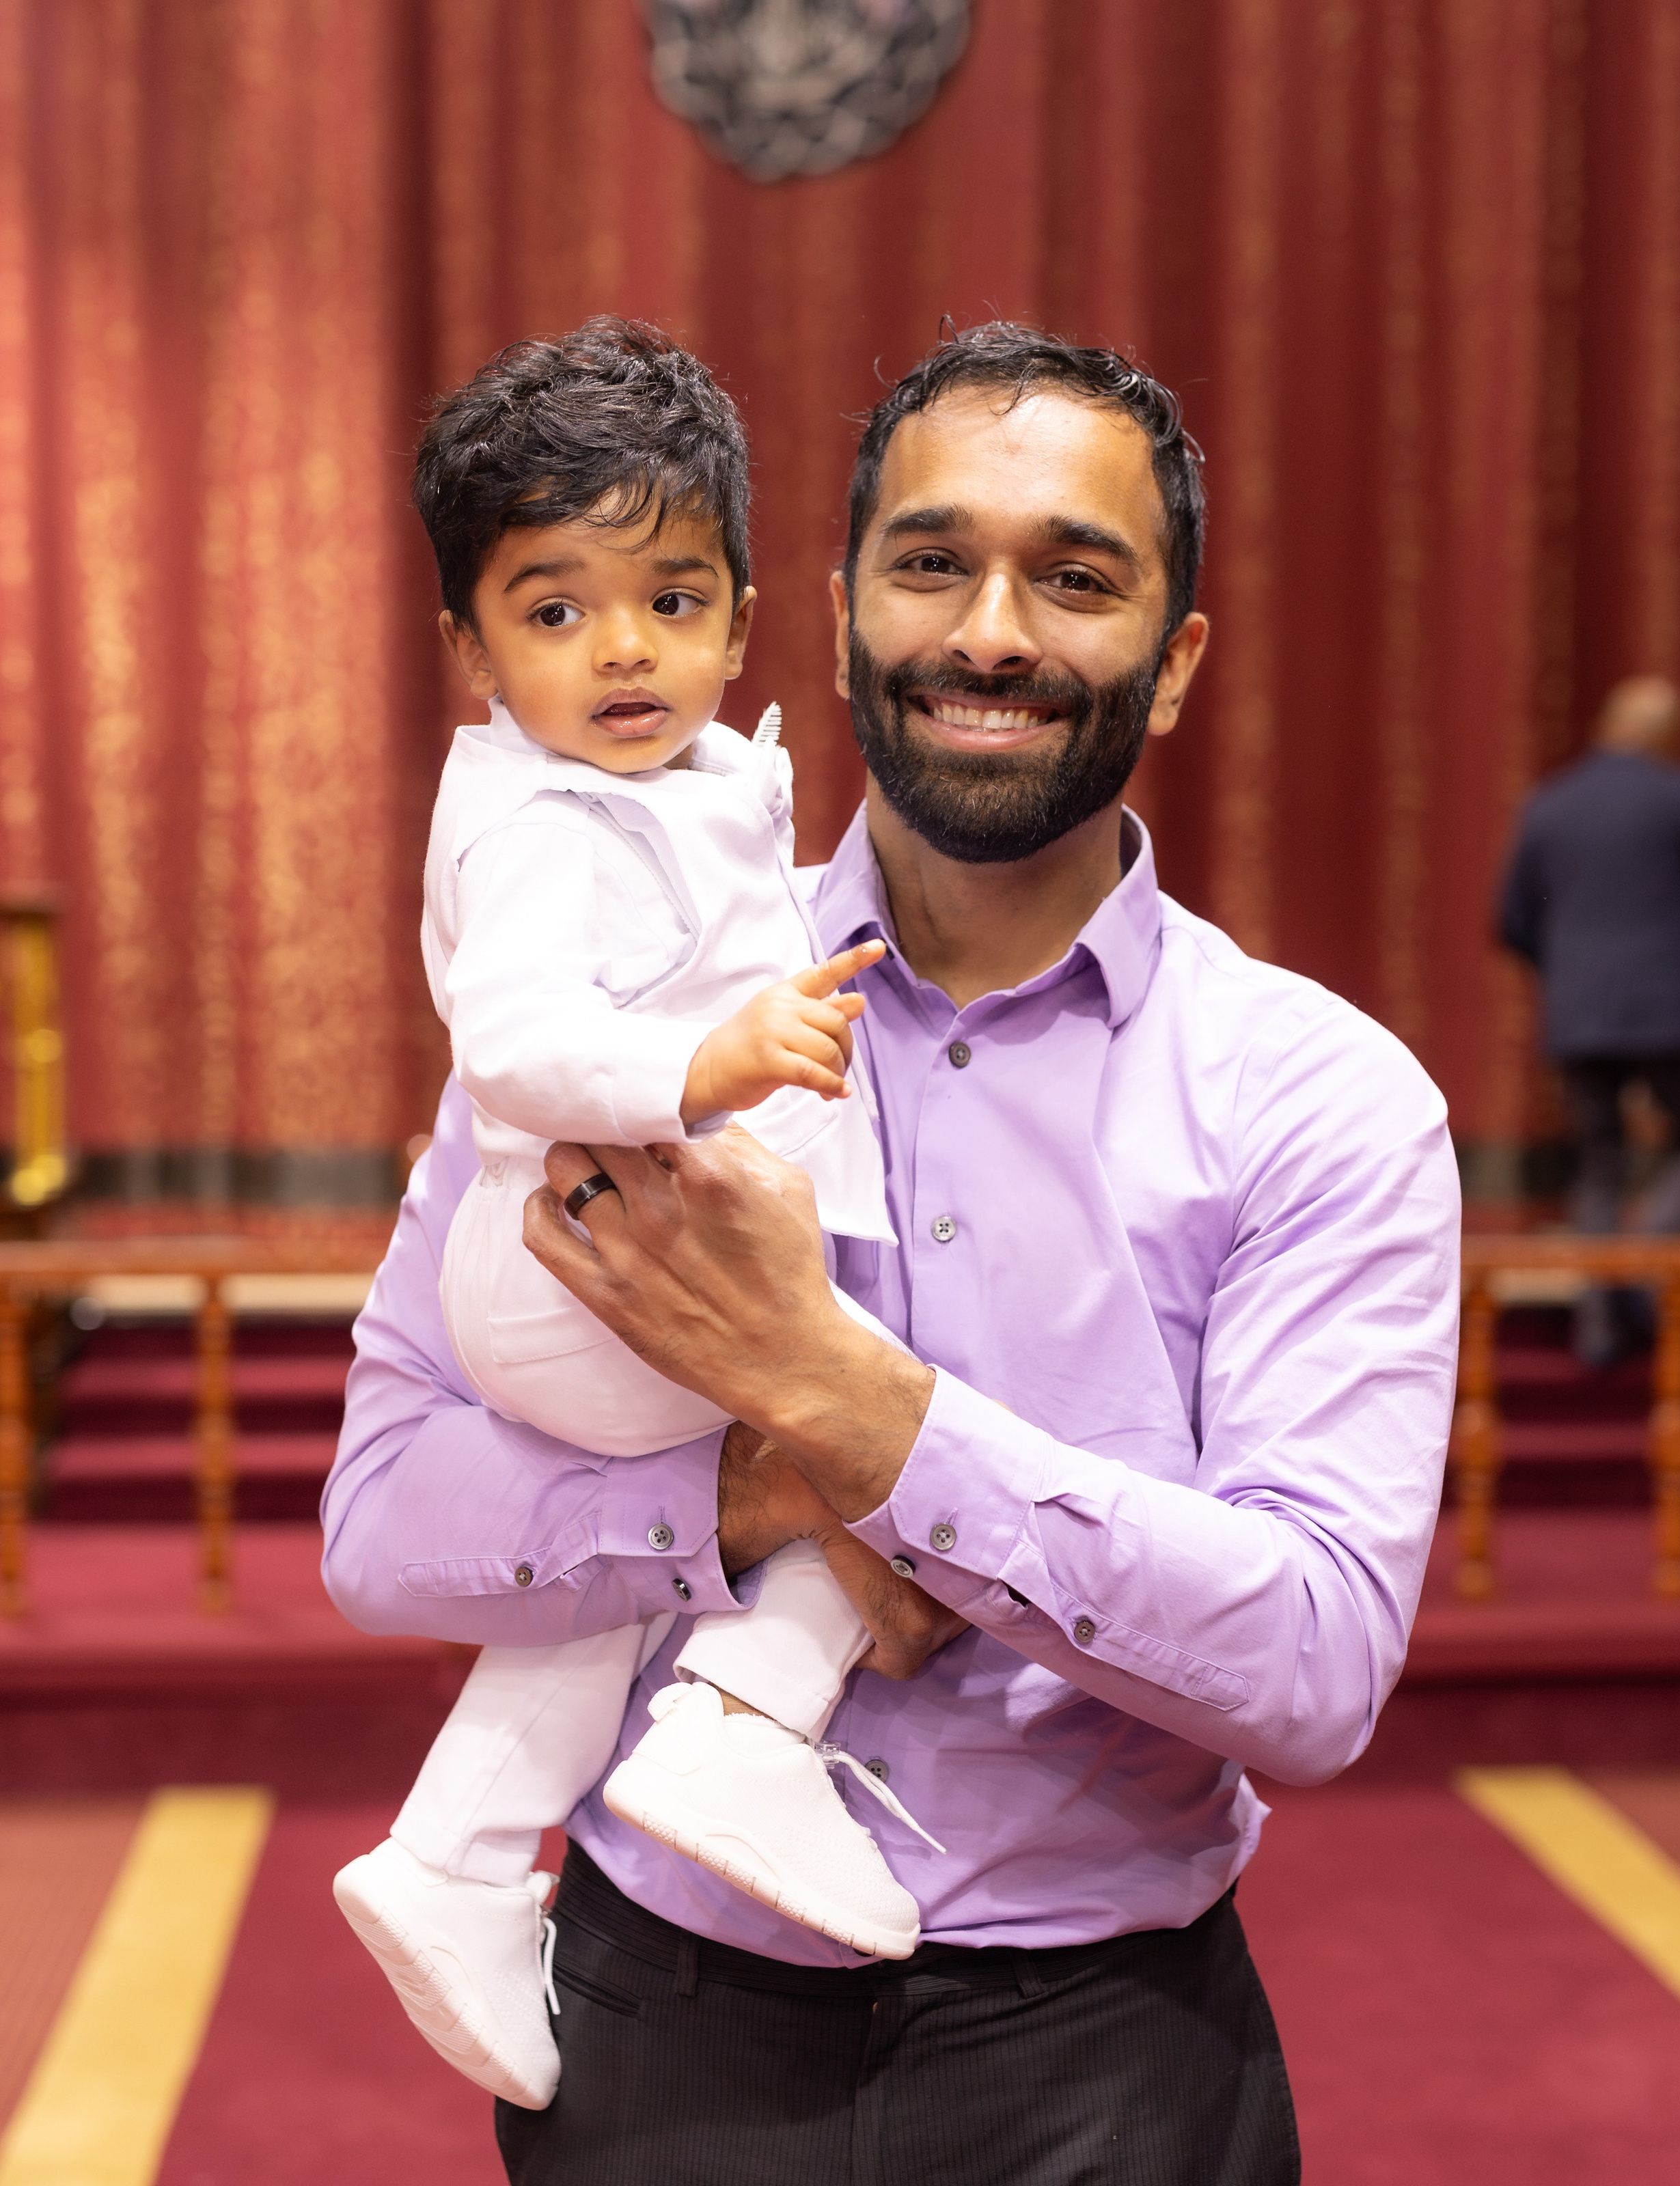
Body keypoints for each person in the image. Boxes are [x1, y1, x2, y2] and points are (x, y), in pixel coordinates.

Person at [324, 322, 1461, 2186]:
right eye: (933, 563)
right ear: (842, 610)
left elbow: (1318, 1667)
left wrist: (872, 1422)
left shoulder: (1320, 1099)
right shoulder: (628, 1013)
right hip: (651, 2033)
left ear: (1173, 664)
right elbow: (381, 1522)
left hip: (1112, 2060)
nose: (993, 632)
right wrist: (750, 1495)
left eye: (1077, 579)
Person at [332, 322, 944, 2116]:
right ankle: (748, 1725)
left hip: (600, 1269)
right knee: (879, 1429)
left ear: (746, 620)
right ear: (471, 647)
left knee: (626, 1579)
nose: (624, 648)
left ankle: (456, 1856)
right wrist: (716, 1061)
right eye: (558, 608)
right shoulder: (542, 822)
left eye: (672, 601)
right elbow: (515, 1044)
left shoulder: (679, 786)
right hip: (586, 1269)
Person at [1498, 676, 1680, 1361]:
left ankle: (1599, 1322)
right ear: (1665, 734)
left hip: (1579, 1009)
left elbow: (1511, 920)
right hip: (1666, 1001)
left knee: (1599, 1161)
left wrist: (1575, 970)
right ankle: (1635, 1273)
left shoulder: (1548, 804)